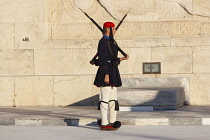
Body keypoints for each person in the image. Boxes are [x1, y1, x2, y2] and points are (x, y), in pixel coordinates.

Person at [93, 22, 129, 130]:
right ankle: (104, 123)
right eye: (113, 28)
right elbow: (103, 60)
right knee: (105, 98)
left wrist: (122, 59)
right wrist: (106, 75)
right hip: (107, 72)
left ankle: (112, 121)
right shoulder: (103, 42)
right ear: (107, 29)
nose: (115, 30)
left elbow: (112, 59)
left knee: (113, 99)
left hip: (113, 70)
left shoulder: (111, 42)